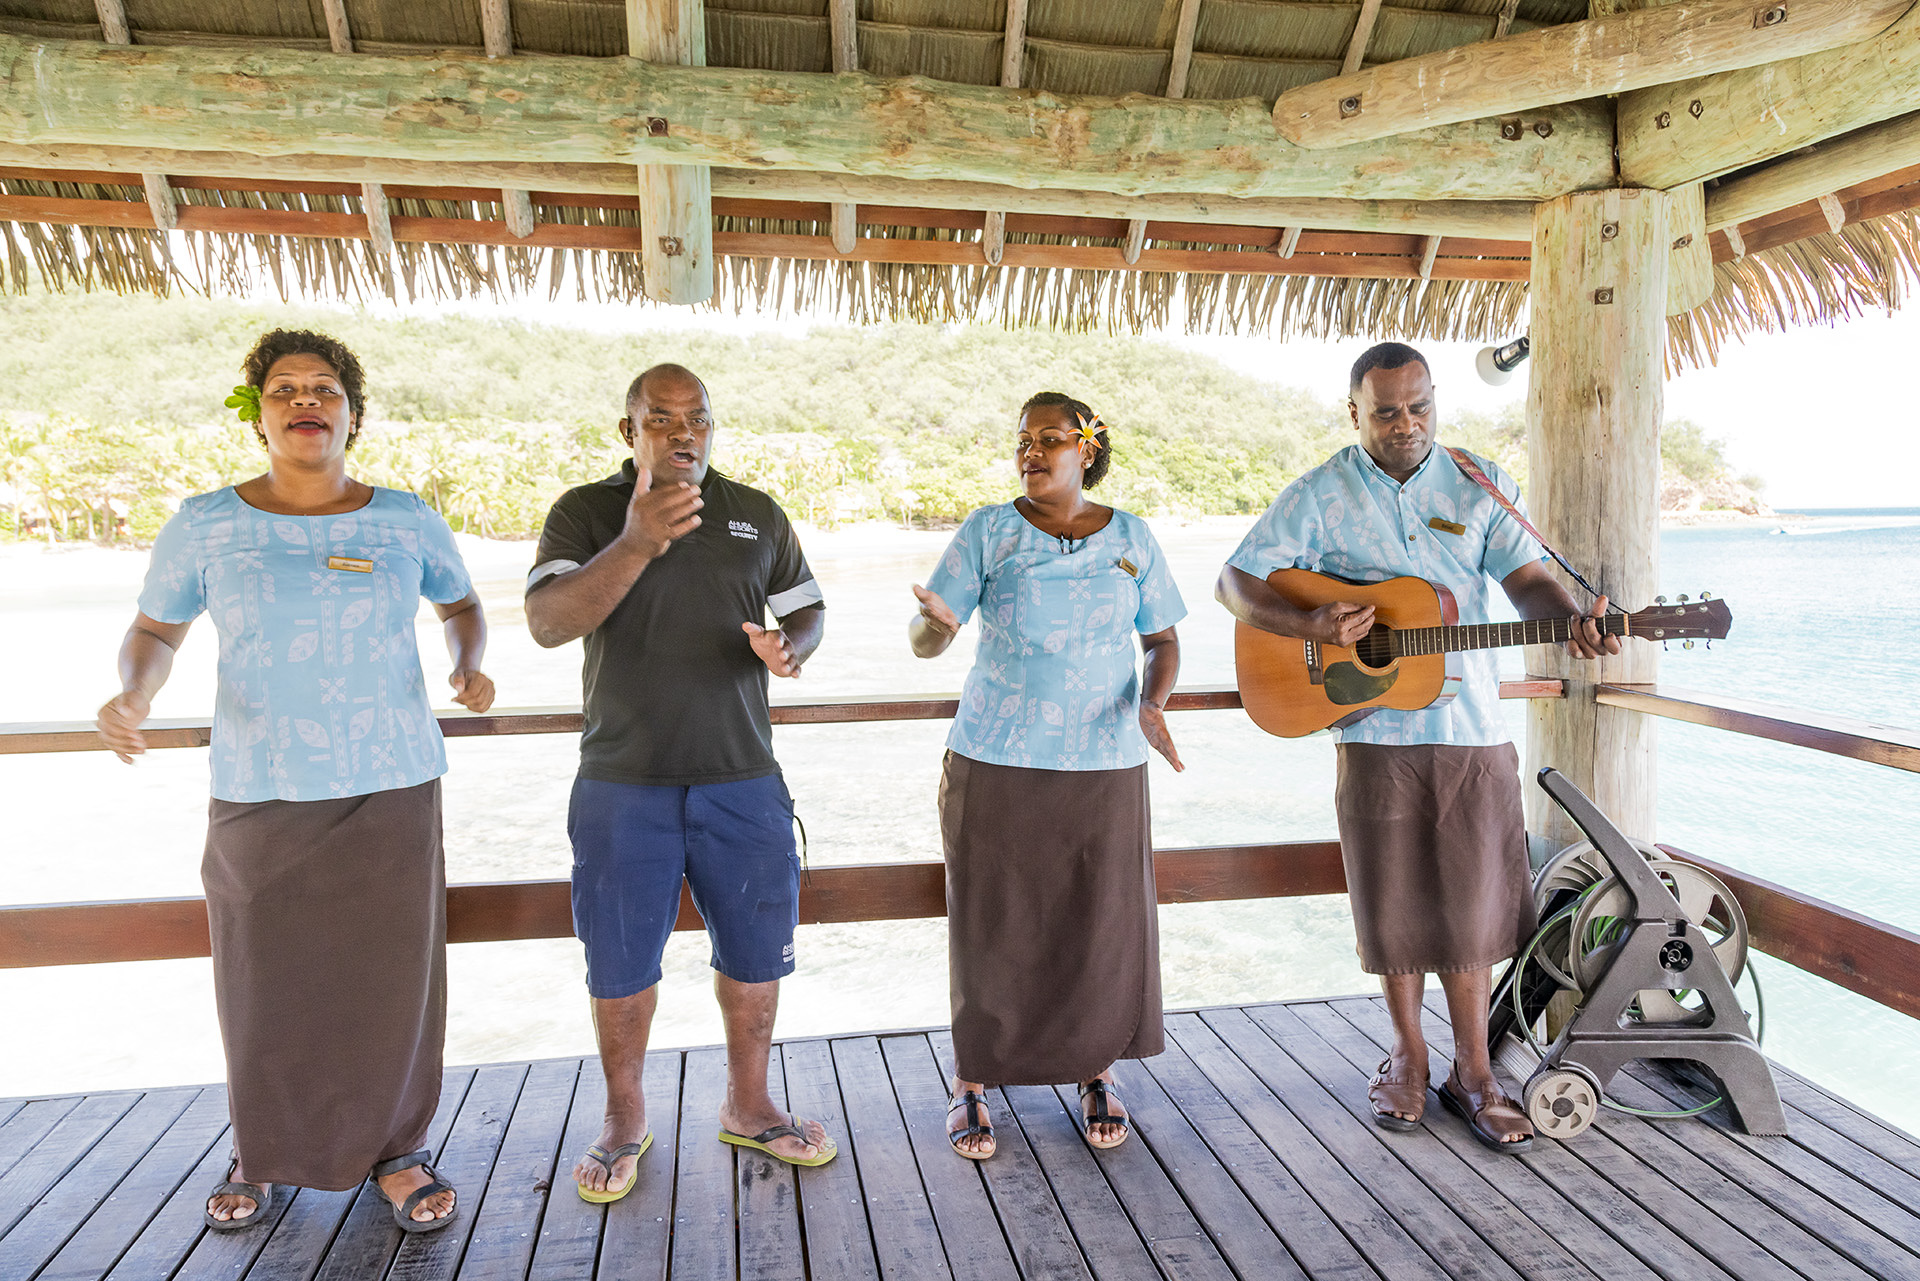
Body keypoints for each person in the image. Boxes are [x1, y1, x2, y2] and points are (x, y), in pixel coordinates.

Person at [96, 329, 495, 1232]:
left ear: (352, 414)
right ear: (260, 412)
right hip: (259, 784)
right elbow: (156, 631)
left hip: (390, 778)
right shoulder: (206, 522)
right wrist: (133, 692)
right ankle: (263, 1146)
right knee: (262, 975)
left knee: (391, 977)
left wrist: (466, 666)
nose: (305, 400)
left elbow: (461, 604)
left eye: (325, 388)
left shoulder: (404, 517)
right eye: (285, 389)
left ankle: (397, 1149)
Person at [1215, 342, 1617, 1153]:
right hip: (1373, 732)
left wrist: (1569, 611)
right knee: (1392, 903)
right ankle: (1407, 1052)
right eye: (1388, 410)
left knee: (1471, 908)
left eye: (1421, 405)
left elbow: (1528, 579)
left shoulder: (1478, 480)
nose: (1408, 423)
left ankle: (1475, 1071)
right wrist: (1311, 624)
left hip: (1469, 729)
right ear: (1355, 412)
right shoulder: (1322, 492)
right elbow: (1235, 580)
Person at [525, 362, 836, 1203]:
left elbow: (806, 605)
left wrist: (793, 645)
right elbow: (548, 623)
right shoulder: (585, 512)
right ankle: (625, 1117)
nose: (681, 432)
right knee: (620, 961)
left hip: (742, 776)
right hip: (622, 780)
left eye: (695, 417)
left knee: (754, 951)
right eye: (659, 419)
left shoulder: (756, 512)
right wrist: (635, 541)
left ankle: (750, 1100)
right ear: (629, 430)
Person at [909, 391, 1186, 1160]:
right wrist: (932, 623)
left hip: (1105, 762)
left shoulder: (1133, 537)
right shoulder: (989, 532)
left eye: (1051, 438)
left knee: (1096, 918)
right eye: (1023, 439)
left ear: (1088, 448)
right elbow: (928, 639)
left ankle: (1095, 1070)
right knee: (991, 918)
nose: (1031, 451)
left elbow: (1161, 639)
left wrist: (1154, 702)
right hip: (996, 757)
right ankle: (973, 1081)